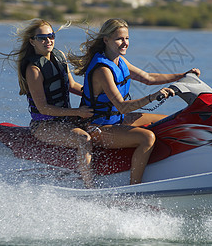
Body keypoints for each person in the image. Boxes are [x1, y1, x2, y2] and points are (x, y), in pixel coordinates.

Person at [69, 18, 200, 184]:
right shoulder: (102, 70)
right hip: (98, 128)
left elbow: (148, 78)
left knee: (172, 120)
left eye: (127, 38)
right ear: (106, 40)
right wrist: (152, 97)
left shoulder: (120, 61)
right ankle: (135, 187)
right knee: (147, 138)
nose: (125, 43)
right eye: (119, 39)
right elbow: (122, 106)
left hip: (117, 119)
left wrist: (183, 76)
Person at [0, 19, 95, 188]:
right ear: (32, 41)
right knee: (83, 139)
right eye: (42, 38)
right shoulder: (33, 69)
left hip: (64, 119)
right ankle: (89, 187)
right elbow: (44, 108)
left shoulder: (60, 56)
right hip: (43, 125)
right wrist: (78, 112)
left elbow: (72, 85)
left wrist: (98, 97)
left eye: (51, 36)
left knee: (99, 125)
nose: (48, 40)